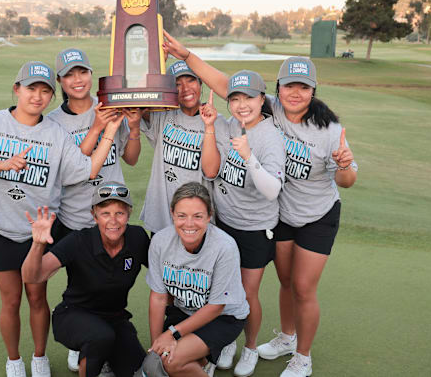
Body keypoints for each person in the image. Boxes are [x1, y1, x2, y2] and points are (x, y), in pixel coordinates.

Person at [162, 32, 358, 377]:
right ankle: (285, 336)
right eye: (289, 87)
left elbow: (346, 180)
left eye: (304, 88)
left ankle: (303, 356)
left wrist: (343, 164)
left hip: (316, 214)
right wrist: (187, 54)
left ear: (313, 91)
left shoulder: (329, 129)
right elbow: (227, 86)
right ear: (277, 90)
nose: (295, 94)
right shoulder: (269, 109)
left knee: (302, 287)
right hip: (280, 214)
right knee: (284, 282)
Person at [0, 61, 124, 377]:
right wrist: (3, 164)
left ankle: (40, 356)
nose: (38, 96)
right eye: (31, 88)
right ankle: (14, 360)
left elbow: (86, 170)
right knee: (10, 300)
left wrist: (109, 131)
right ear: (17, 89)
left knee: (37, 296)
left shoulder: (55, 132)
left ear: (51, 95)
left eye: (45, 90)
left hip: (39, 230)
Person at [47, 48, 142, 374]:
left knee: (108, 281)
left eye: (82, 72)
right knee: (81, 284)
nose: (77, 80)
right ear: (60, 80)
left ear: (91, 74)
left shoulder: (110, 107)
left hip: (111, 210)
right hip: (75, 214)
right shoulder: (55, 122)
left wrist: (134, 126)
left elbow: (130, 158)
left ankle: (99, 339)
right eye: (69, 74)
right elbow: (67, 168)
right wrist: (96, 128)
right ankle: (84, 341)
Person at [198, 70, 287, 377]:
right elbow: (210, 171)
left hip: (254, 228)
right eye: (234, 98)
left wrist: (250, 157)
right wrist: (210, 127)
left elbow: (273, 189)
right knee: (221, 291)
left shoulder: (270, 136)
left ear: (263, 99)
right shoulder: (227, 126)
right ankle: (226, 341)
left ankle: (249, 346)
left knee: (247, 294)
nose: (241, 104)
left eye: (248, 97)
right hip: (223, 224)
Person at [21, 181, 150, 377]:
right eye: (105, 213)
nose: (113, 221)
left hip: (114, 318)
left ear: (129, 214)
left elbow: (161, 274)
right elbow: (32, 276)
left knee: (137, 370)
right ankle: (94, 355)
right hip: (73, 315)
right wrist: (38, 245)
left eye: (120, 213)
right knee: (100, 337)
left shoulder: (138, 238)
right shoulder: (78, 240)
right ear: (94, 215)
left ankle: (105, 357)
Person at [147, 182, 250, 377]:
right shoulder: (160, 242)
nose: (189, 224)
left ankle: (206, 355)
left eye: (198, 216)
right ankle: (203, 360)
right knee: (163, 359)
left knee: (172, 361)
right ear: (172, 214)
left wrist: (171, 334)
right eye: (181, 216)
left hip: (223, 317)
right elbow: (159, 298)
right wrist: (156, 346)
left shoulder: (224, 246)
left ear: (209, 216)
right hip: (184, 312)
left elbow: (216, 306)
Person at [139, 60, 222, 235]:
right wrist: (157, 58)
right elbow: (140, 93)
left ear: (200, 83)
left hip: (197, 220)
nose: (185, 89)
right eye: (177, 84)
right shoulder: (162, 114)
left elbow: (211, 172)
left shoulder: (217, 122)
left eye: (190, 80)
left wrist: (209, 127)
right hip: (161, 217)